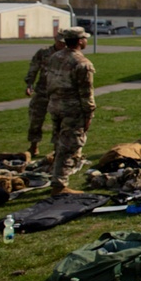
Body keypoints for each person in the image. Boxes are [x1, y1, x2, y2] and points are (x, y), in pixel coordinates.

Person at [45, 27, 95, 195]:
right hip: (73, 109)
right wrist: (89, 113)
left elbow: (49, 81)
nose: (86, 41)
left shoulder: (55, 57)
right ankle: (59, 185)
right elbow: (86, 92)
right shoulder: (82, 63)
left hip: (55, 105)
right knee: (70, 145)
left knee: (59, 142)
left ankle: (56, 176)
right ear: (80, 41)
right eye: (85, 38)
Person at [24, 32, 66, 159]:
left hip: (59, 92)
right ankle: (34, 145)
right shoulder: (44, 52)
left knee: (58, 121)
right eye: (60, 41)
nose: (62, 44)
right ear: (55, 39)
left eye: (64, 42)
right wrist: (29, 84)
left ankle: (56, 147)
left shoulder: (69, 54)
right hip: (42, 91)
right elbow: (33, 68)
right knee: (35, 119)